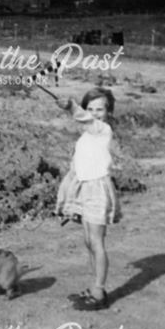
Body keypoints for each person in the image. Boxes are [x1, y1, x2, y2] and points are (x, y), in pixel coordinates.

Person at [55, 87, 122, 311]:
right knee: (88, 241)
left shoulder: (102, 129)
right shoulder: (86, 134)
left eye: (100, 109)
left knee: (96, 242)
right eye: (90, 109)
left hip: (98, 189)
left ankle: (99, 291)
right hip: (85, 188)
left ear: (109, 112)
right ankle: (95, 285)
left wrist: (71, 106)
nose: (94, 113)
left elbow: (86, 120)